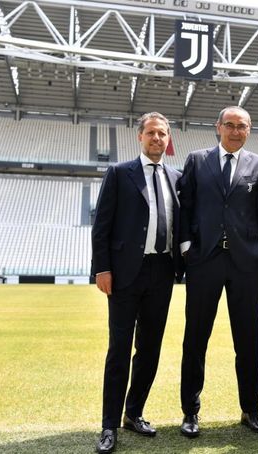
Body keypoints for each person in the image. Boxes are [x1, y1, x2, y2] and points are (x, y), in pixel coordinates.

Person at [91, 112, 183, 454]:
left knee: (150, 349)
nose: (158, 138)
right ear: (140, 137)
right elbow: (101, 224)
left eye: (163, 134)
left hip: (162, 271)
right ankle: (109, 425)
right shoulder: (119, 173)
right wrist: (102, 268)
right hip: (125, 273)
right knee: (119, 350)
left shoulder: (177, 177)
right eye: (152, 133)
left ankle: (134, 413)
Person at [178, 106, 258, 437]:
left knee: (248, 340)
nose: (235, 131)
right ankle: (190, 413)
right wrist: (187, 246)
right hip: (204, 260)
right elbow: (185, 204)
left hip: (246, 265)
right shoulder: (196, 160)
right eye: (229, 125)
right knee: (195, 339)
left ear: (249, 130)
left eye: (241, 126)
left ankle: (251, 409)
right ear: (218, 127)